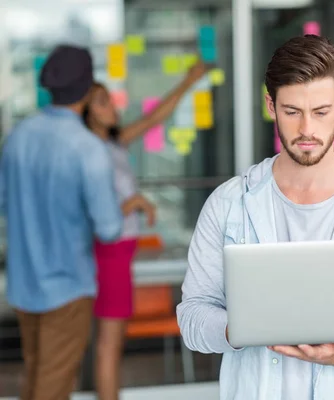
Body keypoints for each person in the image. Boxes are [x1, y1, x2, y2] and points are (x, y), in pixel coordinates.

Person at [177, 35, 334, 399]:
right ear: (271, 105)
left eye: (320, 111)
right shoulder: (228, 204)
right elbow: (192, 319)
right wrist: (244, 326)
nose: (307, 129)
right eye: (292, 112)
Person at [0, 45, 123, 400]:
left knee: (37, 373)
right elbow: (109, 228)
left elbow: (4, 201)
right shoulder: (87, 148)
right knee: (52, 385)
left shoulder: (17, 137)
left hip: (23, 283)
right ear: (87, 89)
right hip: (67, 287)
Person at [82, 60, 208, 400]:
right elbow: (87, 212)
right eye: (102, 101)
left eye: (110, 99)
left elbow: (155, 118)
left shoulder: (112, 144)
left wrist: (188, 82)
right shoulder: (86, 153)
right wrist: (132, 203)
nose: (112, 107)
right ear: (86, 111)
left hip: (120, 251)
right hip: (108, 251)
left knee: (113, 341)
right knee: (109, 343)